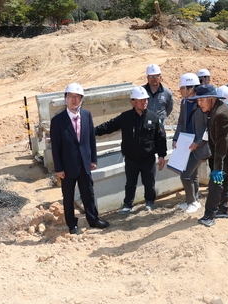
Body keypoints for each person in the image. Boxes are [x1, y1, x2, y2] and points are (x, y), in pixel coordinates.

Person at [50, 82, 110, 235]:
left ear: (82, 99)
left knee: (88, 193)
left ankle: (93, 219)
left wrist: (93, 159)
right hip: (67, 166)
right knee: (68, 196)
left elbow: (91, 139)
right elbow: (55, 147)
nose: (74, 100)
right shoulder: (57, 121)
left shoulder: (86, 115)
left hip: (84, 163)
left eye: (77, 97)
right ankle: (72, 224)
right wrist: (59, 168)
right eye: (71, 96)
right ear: (66, 98)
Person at [95, 86, 167, 213]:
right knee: (130, 183)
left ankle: (149, 201)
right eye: (141, 100)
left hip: (148, 158)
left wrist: (162, 155)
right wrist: (92, 131)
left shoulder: (154, 118)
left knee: (149, 182)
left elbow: (161, 137)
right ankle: (127, 204)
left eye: (146, 100)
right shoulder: (125, 117)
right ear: (133, 101)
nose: (144, 102)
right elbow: (108, 126)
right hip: (131, 159)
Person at [192, 86, 228, 227]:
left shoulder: (221, 114)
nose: (199, 103)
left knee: (215, 182)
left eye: (202, 100)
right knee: (224, 179)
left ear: (211, 98)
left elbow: (221, 144)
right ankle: (223, 209)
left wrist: (217, 168)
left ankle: (209, 215)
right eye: (198, 100)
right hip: (227, 153)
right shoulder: (215, 109)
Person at [172, 73, 202, 213]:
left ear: (190, 88)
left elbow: (207, 128)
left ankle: (192, 202)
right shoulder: (184, 102)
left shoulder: (202, 102)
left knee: (185, 175)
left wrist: (198, 142)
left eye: (181, 88)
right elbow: (181, 122)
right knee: (193, 174)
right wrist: (176, 138)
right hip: (186, 143)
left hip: (199, 145)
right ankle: (194, 199)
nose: (180, 91)